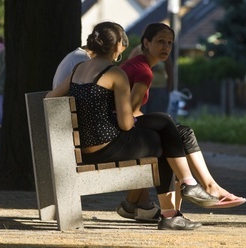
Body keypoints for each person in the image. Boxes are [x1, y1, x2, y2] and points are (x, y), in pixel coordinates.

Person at [46, 21, 219, 230]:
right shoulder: (114, 73)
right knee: (163, 139)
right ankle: (178, 201)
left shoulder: (77, 69)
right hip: (105, 146)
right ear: (118, 45)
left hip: (82, 147)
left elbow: (50, 97)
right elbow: (126, 124)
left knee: (163, 122)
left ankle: (183, 191)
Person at [118, 23, 245, 215]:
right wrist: (161, 127)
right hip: (118, 134)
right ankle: (200, 192)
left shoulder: (137, 64)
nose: (166, 47)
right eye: (160, 41)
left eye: (169, 43)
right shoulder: (143, 70)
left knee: (175, 135)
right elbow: (131, 112)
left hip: (111, 129)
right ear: (146, 42)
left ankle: (137, 205)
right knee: (176, 136)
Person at [127, 44, 173, 113]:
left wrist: (168, 89)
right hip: (140, 89)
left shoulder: (162, 51)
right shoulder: (138, 50)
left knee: (157, 117)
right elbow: (129, 68)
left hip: (159, 90)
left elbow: (170, 70)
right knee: (140, 116)